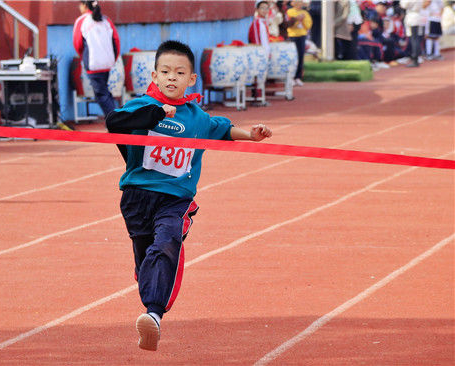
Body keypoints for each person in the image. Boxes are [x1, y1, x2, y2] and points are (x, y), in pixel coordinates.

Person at [105, 40, 272, 352]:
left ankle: (153, 314)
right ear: (153, 76)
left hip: (176, 199)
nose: (172, 77)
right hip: (137, 196)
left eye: (179, 72)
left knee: (166, 242)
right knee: (146, 260)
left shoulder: (196, 117)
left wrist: (250, 134)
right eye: (165, 71)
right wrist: (153, 115)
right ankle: (151, 288)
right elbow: (113, 123)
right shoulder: (142, 106)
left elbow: (222, 129)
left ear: (191, 79)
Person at [72, 0, 120, 119]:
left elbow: (77, 44)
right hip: (107, 62)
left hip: (94, 64)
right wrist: (113, 58)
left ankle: (118, 123)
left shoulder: (82, 20)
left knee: (101, 95)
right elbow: (116, 41)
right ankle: (117, 120)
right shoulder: (106, 20)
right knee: (104, 92)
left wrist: (84, 58)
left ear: (84, 5)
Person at [285, 0, 313, 86]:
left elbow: (308, 25)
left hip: (301, 36)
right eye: (296, 2)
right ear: (292, 3)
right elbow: (288, 23)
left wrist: (303, 19)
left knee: (300, 56)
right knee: (292, 57)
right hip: (292, 35)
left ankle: (298, 77)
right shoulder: (289, 12)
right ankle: (291, 77)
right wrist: (297, 19)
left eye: (300, 2)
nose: (299, 4)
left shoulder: (305, 13)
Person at [400, 0, 430, 67]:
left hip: (413, 17)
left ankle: (415, 58)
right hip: (418, 16)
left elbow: (403, 5)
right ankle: (416, 58)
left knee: (414, 39)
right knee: (416, 39)